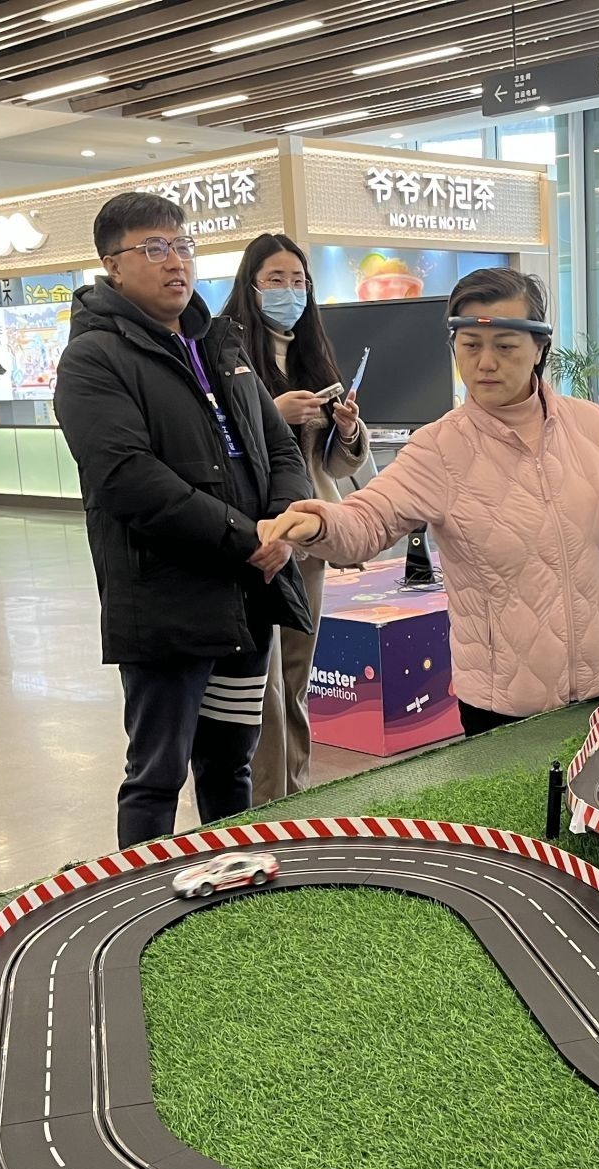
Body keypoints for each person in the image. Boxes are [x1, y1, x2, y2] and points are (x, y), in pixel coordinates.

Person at [263, 269, 599, 736]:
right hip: (504, 703)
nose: (485, 363)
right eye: (470, 346)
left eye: (505, 347)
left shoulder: (590, 424)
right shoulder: (439, 448)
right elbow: (369, 519)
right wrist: (319, 522)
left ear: (539, 348)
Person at [53, 194, 311, 846]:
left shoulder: (220, 345)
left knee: (230, 763)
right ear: (112, 265)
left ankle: (236, 883)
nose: (177, 262)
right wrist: (246, 538)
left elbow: (280, 448)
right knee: (157, 774)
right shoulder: (93, 359)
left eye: (183, 245)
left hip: (246, 596)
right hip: (166, 603)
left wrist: (279, 524)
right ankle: (139, 894)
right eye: (155, 248)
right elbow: (128, 480)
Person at [218, 233, 369, 801]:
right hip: (260, 535)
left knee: (297, 679)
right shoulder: (225, 352)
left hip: (310, 533)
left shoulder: (311, 353)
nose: (290, 292)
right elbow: (219, 446)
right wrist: (271, 413)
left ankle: (298, 794)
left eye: (299, 281)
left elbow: (332, 462)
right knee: (265, 689)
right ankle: (265, 804)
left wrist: (347, 428)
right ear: (251, 286)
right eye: (276, 280)